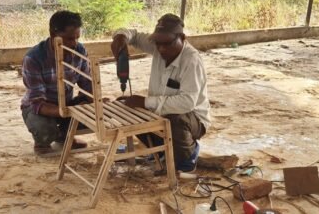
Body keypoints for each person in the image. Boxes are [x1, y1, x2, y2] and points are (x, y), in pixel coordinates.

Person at [111, 13, 210, 172]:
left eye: (167, 44)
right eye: (158, 43)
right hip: (164, 112)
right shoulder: (158, 46)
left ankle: (188, 157)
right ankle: (162, 150)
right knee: (129, 109)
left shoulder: (191, 60)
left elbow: (187, 102)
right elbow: (134, 35)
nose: (161, 49)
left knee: (174, 120)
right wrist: (120, 37)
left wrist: (145, 102)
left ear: (182, 38)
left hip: (193, 118)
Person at [21, 10, 91, 154]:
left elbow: (87, 85)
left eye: (77, 38)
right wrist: (68, 112)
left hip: (66, 103)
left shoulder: (79, 50)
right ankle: (43, 141)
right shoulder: (34, 58)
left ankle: (64, 136)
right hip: (39, 108)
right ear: (53, 35)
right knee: (45, 129)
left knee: (96, 114)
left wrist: (98, 103)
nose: (74, 43)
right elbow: (37, 103)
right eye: (70, 39)